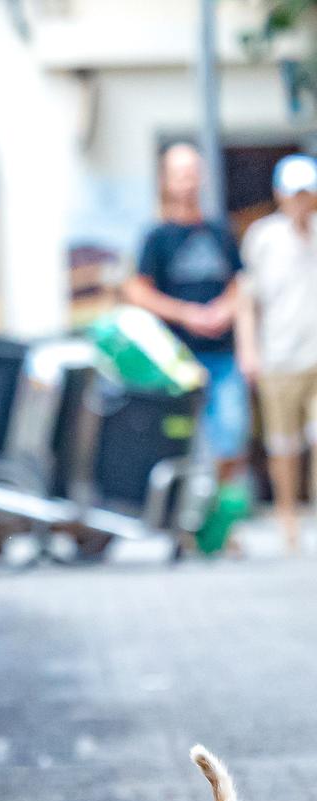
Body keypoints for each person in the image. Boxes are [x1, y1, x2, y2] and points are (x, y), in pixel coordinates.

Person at [122, 143, 249, 491]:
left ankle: (221, 519)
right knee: (180, 445)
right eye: (180, 174)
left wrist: (224, 308)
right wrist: (186, 314)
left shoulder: (220, 231)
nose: (188, 182)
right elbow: (137, 291)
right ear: (166, 181)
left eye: (193, 173)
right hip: (177, 359)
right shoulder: (156, 237)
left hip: (222, 355)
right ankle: (185, 519)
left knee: (231, 437)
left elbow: (240, 283)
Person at [235, 153, 317, 553]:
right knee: (283, 445)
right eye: (295, 193)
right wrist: (248, 350)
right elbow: (248, 300)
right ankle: (287, 514)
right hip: (279, 356)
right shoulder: (263, 237)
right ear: (280, 194)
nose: (302, 201)